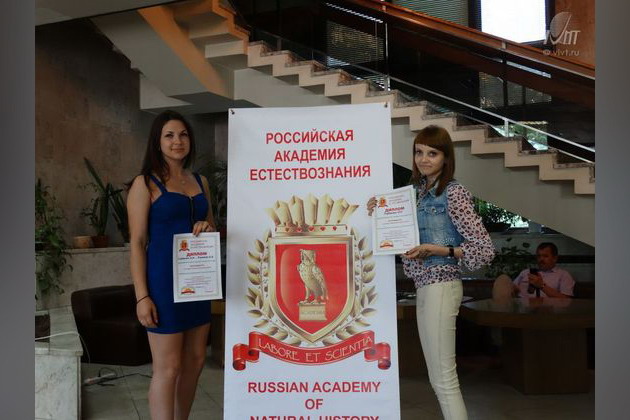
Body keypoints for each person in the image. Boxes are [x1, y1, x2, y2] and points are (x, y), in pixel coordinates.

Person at [368, 125, 494, 420]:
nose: (424, 159)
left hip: (442, 284)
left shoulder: (453, 192)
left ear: (446, 158)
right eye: (419, 152)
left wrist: (438, 250)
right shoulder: (415, 193)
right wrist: (377, 211)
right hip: (424, 285)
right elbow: (399, 236)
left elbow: (484, 249)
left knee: (444, 380)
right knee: (438, 379)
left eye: (432, 153)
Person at [127, 110, 216, 420]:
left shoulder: (201, 181)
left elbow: (212, 228)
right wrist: (142, 296)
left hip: (198, 280)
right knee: (169, 367)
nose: (178, 141)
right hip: (163, 282)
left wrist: (207, 227)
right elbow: (137, 243)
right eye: (169, 135)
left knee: (195, 361)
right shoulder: (144, 183)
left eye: (183, 134)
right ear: (157, 141)